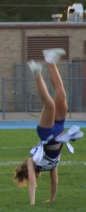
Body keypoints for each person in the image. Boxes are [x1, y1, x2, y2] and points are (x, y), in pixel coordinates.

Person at [14, 48, 83, 205]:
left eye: (30, 176)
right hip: (59, 129)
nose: (35, 178)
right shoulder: (51, 166)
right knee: (61, 95)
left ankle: (37, 74)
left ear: (28, 173)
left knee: (50, 105)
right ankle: (51, 61)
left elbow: (32, 184)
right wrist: (51, 199)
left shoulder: (32, 162)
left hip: (46, 133)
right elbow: (54, 182)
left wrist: (32, 204)